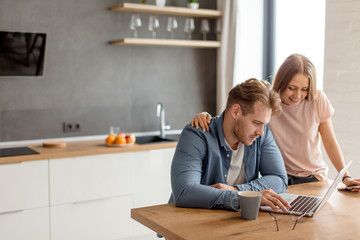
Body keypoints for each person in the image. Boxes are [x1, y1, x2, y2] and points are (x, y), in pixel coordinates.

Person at [191, 54, 360, 189]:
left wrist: (344, 176)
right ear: (281, 82)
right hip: (279, 178)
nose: (297, 96)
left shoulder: (317, 100)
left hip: (313, 178)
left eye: (304, 89)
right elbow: (236, 116)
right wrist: (206, 115)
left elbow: (330, 143)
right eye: (292, 88)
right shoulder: (268, 102)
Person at [170, 78, 291, 212]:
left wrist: (239, 192)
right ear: (235, 111)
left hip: (234, 219)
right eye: (256, 123)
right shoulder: (197, 135)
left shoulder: (261, 134)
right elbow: (185, 192)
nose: (261, 132)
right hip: (191, 221)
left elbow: (279, 179)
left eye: (264, 124)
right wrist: (244, 197)